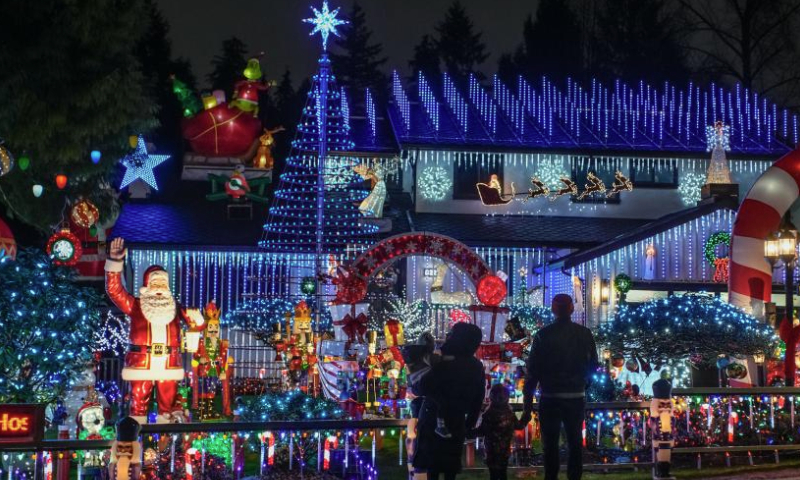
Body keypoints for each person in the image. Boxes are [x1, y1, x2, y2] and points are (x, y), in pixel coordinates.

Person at [518, 294, 598, 480]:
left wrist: (527, 406)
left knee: (550, 445)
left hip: (550, 397)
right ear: (571, 309)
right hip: (575, 396)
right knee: (575, 444)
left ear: (553, 310)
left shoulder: (543, 336)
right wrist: (584, 383)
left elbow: (532, 372)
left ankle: (551, 477)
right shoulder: (584, 334)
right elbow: (593, 364)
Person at [413, 323, 485, 480]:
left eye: (451, 334)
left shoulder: (441, 363)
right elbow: (478, 398)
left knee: (433, 468)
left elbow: (420, 388)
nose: (446, 336)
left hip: (433, 419)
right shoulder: (475, 366)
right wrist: (470, 423)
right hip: (456, 421)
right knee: (449, 468)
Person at [473, 384, 517, 480]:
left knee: (493, 475)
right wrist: (526, 417)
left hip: (492, 451)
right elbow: (518, 426)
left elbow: (481, 431)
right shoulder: (510, 414)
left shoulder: (489, 414)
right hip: (504, 451)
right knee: (503, 473)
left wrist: (467, 431)